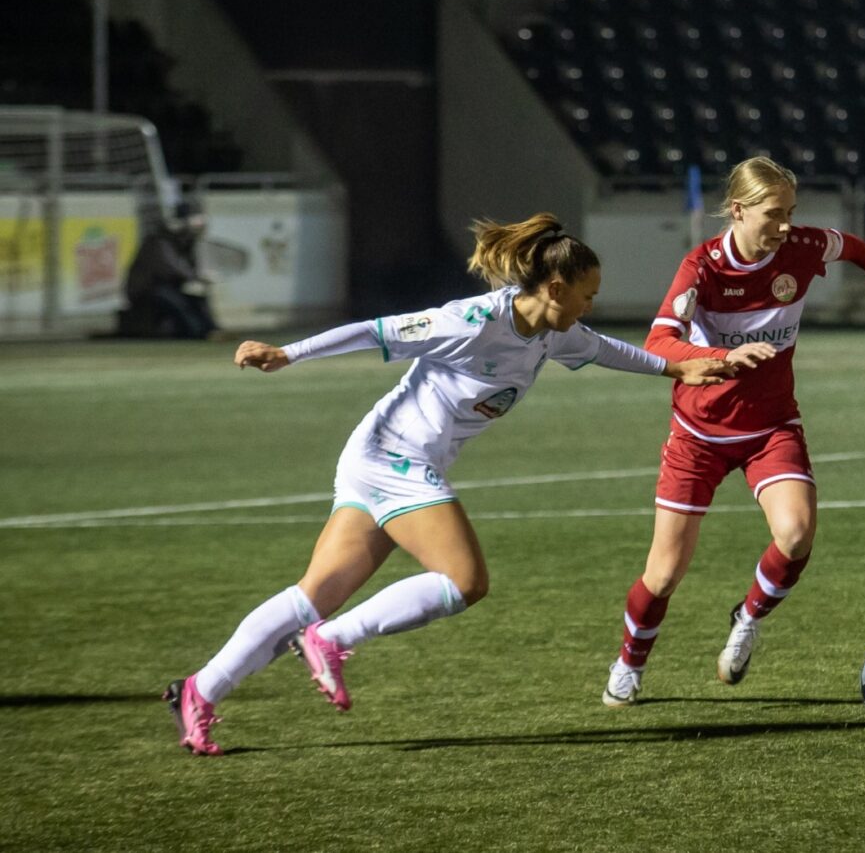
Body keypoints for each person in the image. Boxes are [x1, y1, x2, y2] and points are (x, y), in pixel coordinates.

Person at [163, 213, 733, 755]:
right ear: (556, 288)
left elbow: (606, 349)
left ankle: (199, 691)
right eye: (588, 294)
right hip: (394, 458)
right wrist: (287, 353)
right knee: (464, 580)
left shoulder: (552, 333)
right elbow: (374, 330)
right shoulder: (473, 321)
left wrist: (677, 368)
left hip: (382, 461)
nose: (593, 305)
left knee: (314, 593)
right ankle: (332, 639)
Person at [600, 156, 865, 706]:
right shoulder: (701, 269)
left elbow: (853, 247)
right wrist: (722, 354)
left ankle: (748, 618)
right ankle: (629, 663)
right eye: (773, 213)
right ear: (738, 210)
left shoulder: (802, 248)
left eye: (791, 211)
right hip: (698, 432)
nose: (785, 225)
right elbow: (659, 343)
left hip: (770, 427)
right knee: (664, 574)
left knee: (796, 534)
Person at [118, 201, 218, 339]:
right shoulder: (159, 241)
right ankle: (197, 332)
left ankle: (212, 330)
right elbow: (171, 267)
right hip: (146, 289)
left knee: (198, 298)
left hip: (167, 286)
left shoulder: (185, 242)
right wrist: (195, 277)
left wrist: (195, 278)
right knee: (176, 301)